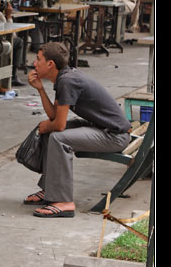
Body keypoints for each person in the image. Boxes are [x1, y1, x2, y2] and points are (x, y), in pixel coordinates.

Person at [24, 42, 131, 218]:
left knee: (58, 137)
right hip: (103, 129)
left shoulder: (67, 81)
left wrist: (48, 126)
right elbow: (54, 117)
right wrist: (41, 90)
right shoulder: (64, 77)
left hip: (114, 136)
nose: (34, 63)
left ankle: (63, 201)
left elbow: (58, 125)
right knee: (50, 131)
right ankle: (50, 190)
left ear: (50, 64)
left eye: (38, 59)